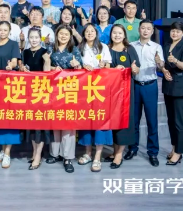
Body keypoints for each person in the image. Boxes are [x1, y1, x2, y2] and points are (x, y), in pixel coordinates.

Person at [126, 20, 164, 166]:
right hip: (135, 86)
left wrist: (159, 62)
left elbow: (161, 66)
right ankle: (132, 148)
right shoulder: (131, 46)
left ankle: (153, 152)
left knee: (151, 121)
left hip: (150, 86)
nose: (146, 31)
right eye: (143, 28)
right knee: (134, 120)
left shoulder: (156, 47)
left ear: (152, 31)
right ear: (139, 30)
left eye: (149, 28)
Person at [76, 24, 113, 172]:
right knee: (86, 119)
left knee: (99, 119)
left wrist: (104, 65)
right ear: (83, 33)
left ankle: (98, 156)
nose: (90, 33)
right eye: (87, 31)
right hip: (84, 89)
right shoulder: (79, 47)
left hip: (100, 88)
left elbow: (109, 66)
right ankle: (88, 153)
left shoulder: (103, 47)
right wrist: (82, 66)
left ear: (96, 33)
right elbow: (75, 66)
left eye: (92, 31)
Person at [48, 24, 83, 173]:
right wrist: (52, 68)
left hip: (70, 89)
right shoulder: (50, 48)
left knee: (68, 122)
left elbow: (81, 69)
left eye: (66, 34)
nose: (63, 36)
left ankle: (68, 157)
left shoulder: (74, 50)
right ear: (57, 35)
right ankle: (54, 153)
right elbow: (44, 66)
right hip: (53, 89)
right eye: (61, 34)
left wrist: (77, 65)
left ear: (70, 37)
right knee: (55, 121)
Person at [106, 24, 140, 169]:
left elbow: (136, 69)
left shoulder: (129, 49)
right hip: (110, 92)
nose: (117, 35)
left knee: (123, 120)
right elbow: (103, 69)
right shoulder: (106, 49)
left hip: (125, 92)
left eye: (120, 33)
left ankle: (119, 154)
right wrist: (113, 70)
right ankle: (115, 151)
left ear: (124, 35)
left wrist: (134, 69)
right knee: (113, 121)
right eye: (114, 33)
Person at [0, 21, 22, 169]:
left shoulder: (13, 44)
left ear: (9, 31)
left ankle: (8, 153)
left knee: (10, 118)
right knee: (0, 118)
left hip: (10, 84)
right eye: (0, 30)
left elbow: (15, 61)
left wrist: (10, 66)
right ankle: (2, 151)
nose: (2, 32)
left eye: (5, 30)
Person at [161, 21, 183, 166]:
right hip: (168, 86)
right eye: (173, 31)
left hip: (180, 87)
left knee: (178, 122)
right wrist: (163, 69)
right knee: (171, 120)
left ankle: (179, 152)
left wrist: (175, 60)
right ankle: (174, 148)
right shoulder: (166, 45)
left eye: (178, 31)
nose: (174, 33)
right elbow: (163, 64)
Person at [20, 27, 52, 170]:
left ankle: (38, 155)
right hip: (28, 92)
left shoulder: (45, 52)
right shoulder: (25, 52)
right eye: (31, 37)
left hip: (41, 93)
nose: (34, 40)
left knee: (40, 125)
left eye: (36, 37)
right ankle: (34, 152)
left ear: (41, 38)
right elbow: (23, 70)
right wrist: (22, 69)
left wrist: (47, 62)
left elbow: (47, 74)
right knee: (31, 124)